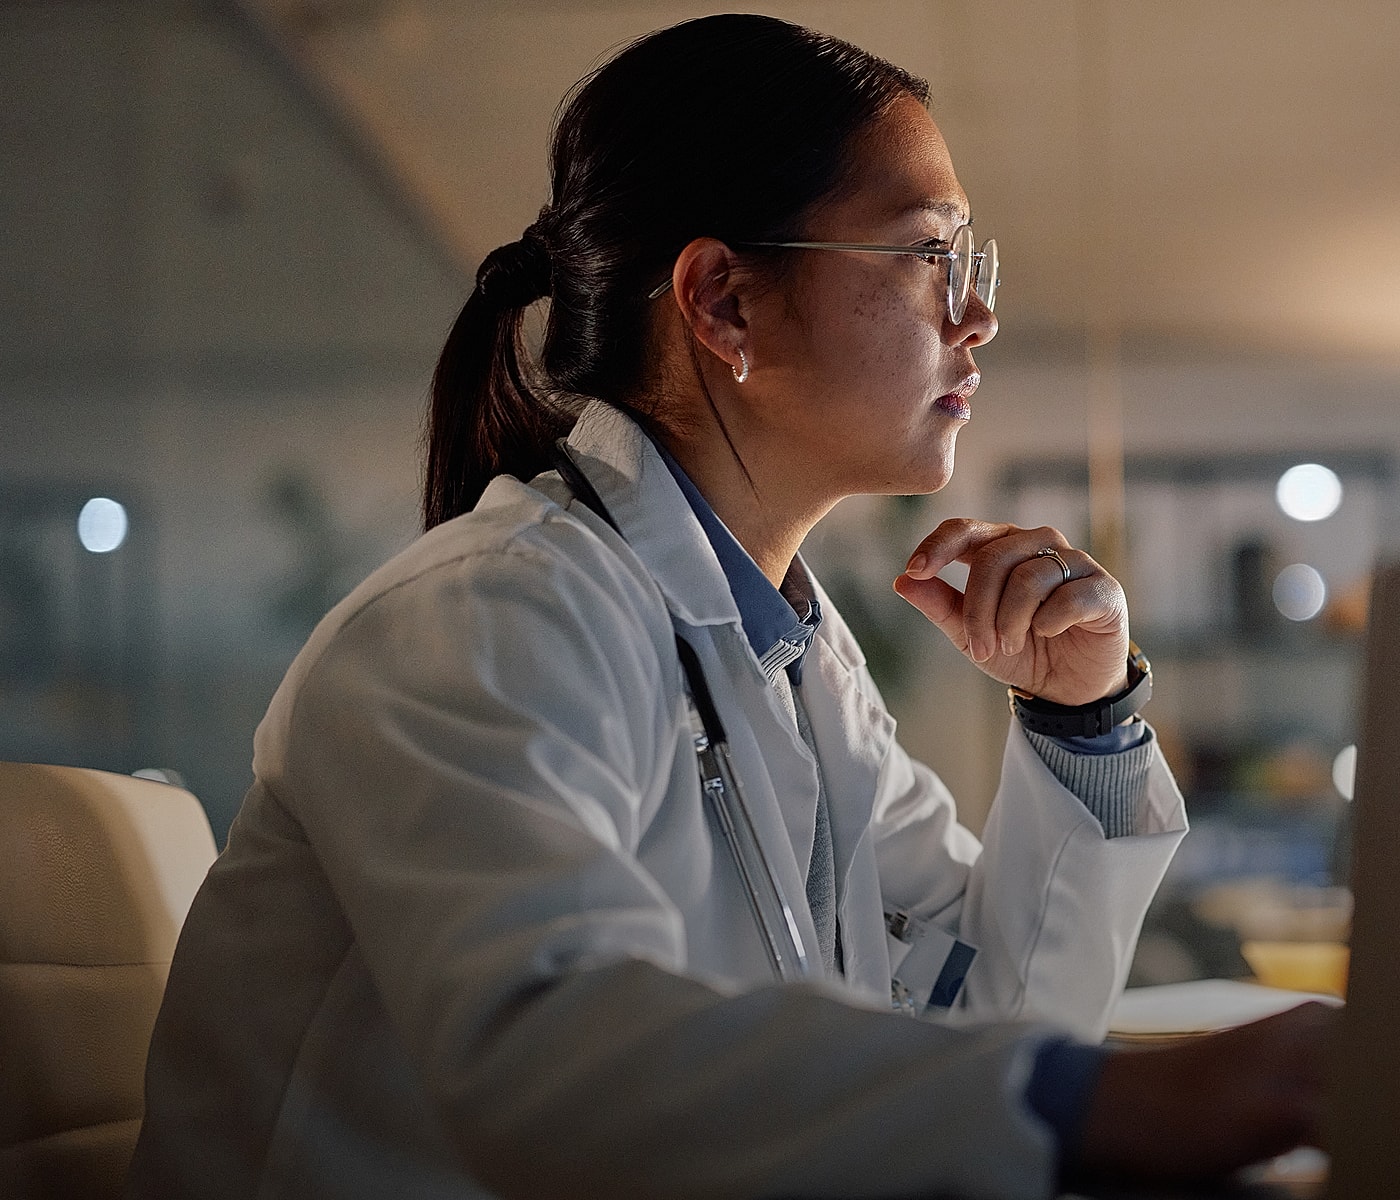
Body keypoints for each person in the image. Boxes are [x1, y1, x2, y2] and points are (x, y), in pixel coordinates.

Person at [128, 14, 1332, 1200]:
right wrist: (1115, 1103)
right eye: (929, 259)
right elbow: (552, 1063)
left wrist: (1084, 721)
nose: (977, 318)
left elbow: (993, 1015)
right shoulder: (487, 619)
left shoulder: (792, 661)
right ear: (721, 303)